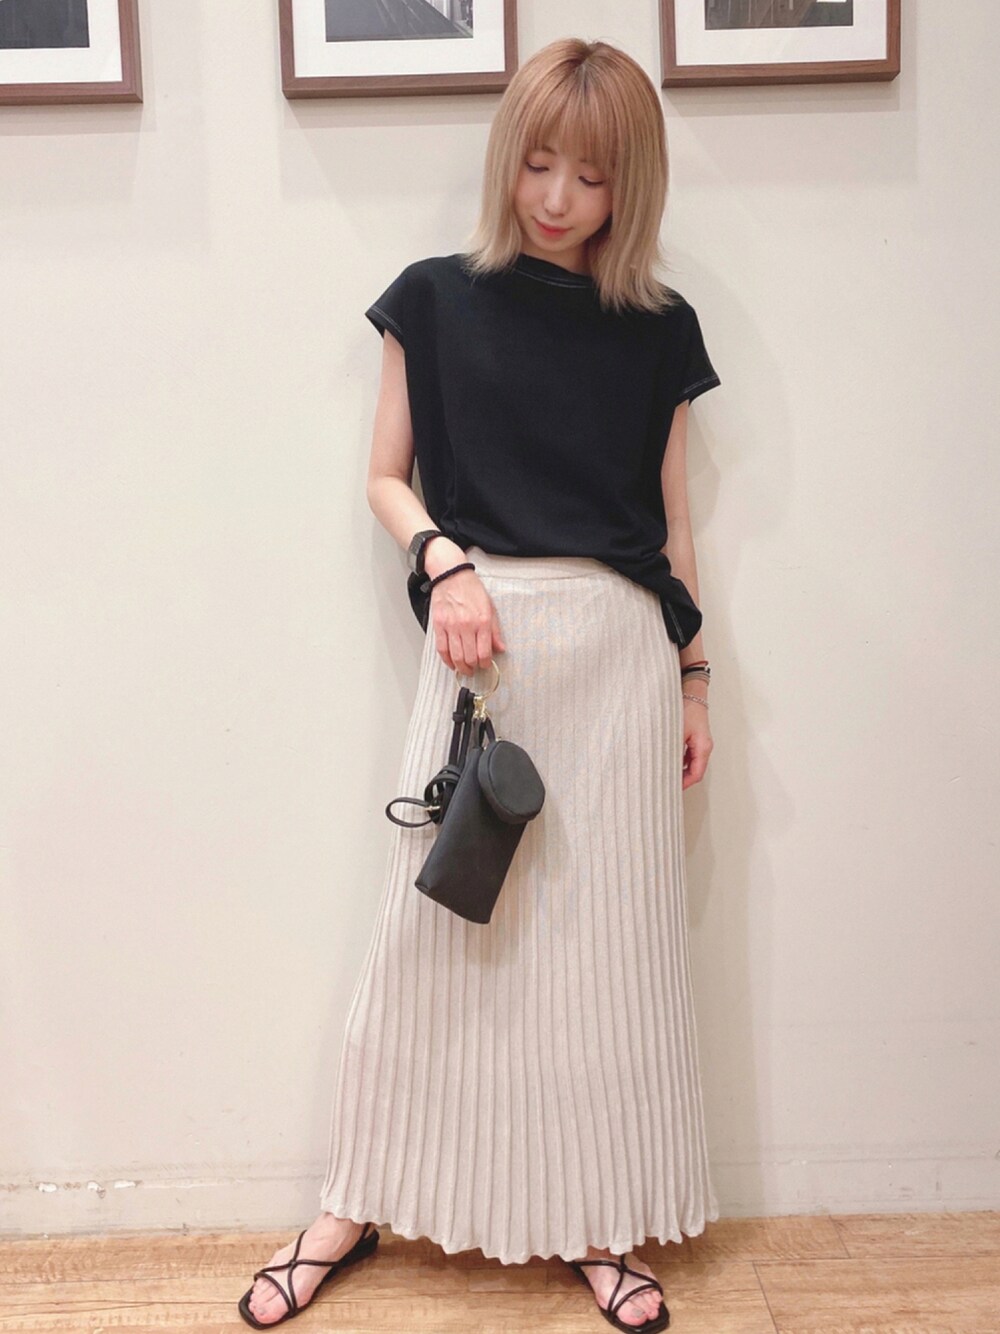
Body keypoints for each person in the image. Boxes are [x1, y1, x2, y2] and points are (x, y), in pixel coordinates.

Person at [239, 35, 721, 1333]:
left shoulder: (661, 330)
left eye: (593, 178)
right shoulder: (435, 299)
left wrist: (694, 679)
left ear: (631, 187)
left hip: (619, 661)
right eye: (540, 163)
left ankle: (598, 1218)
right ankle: (352, 1199)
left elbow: (673, 529)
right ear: (510, 155)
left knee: (604, 954)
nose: (558, 197)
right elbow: (383, 477)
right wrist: (445, 562)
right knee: (430, 935)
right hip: (483, 654)